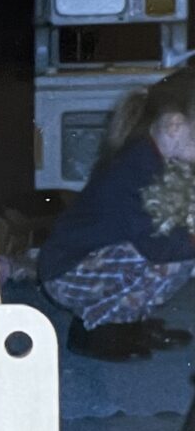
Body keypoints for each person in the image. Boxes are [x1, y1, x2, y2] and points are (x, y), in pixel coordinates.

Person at [38, 66, 195, 361]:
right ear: (175, 126)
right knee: (169, 258)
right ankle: (93, 333)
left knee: (178, 253)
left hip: (92, 261)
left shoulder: (156, 158)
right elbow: (156, 246)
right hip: (66, 272)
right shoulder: (135, 169)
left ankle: (127, 323)